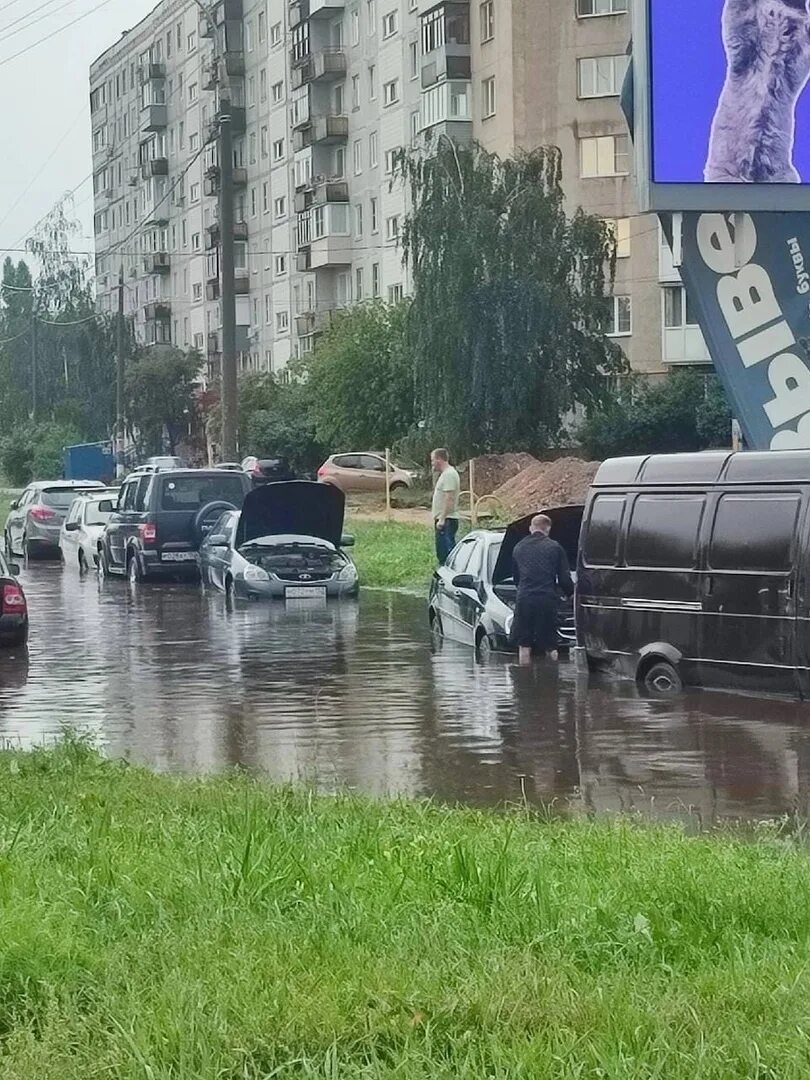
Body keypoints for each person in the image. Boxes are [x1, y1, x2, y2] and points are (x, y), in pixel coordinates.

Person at [511, 513, 574, 666]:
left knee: (524, 644)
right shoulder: (554, 547)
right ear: (548, 529)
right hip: (546, 600)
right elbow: (565, 579)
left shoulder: (518, 547)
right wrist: (571, 595)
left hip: (524, 599)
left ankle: (523, 682)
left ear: (531, 528)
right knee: (550, 645)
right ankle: (551, 680)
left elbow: (516, 578)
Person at [431, 448, 461, 564]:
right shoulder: (446, 474)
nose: (432, 463)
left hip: (447, 520)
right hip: (444, 520)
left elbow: (449, 498)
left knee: (446, 554)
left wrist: (442, 518)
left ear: (439, 459)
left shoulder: (449, 474)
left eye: (432, 460)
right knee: (442, 551)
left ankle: (448, 577)